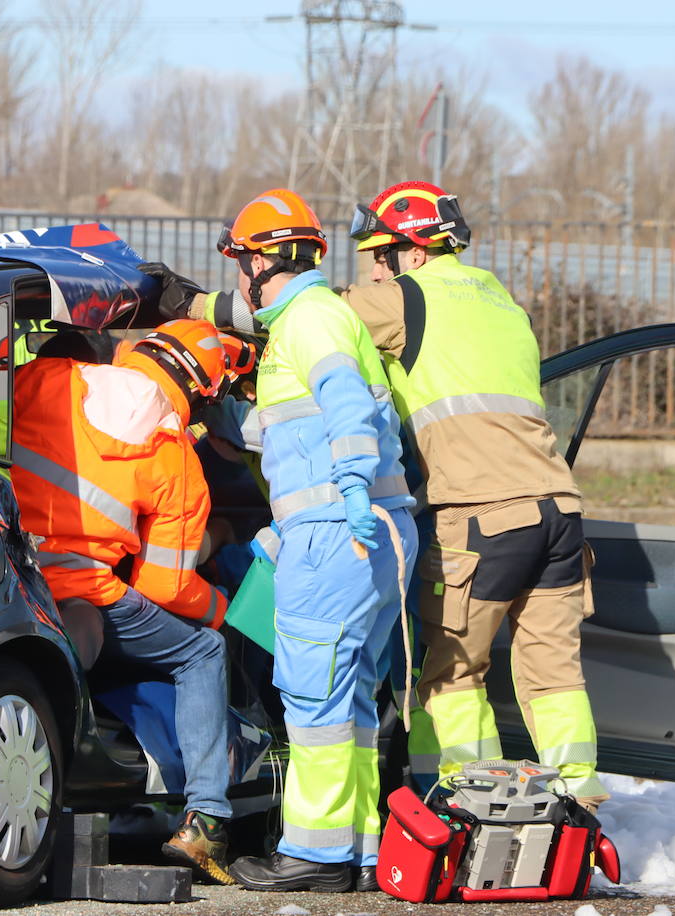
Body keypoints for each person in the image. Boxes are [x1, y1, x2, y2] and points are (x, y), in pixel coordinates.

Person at [342, 181, 608, 812]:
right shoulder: (501, 300)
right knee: (554, 676)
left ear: (411, 252)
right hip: (559, 513)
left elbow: (310, 319)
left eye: (381, 255)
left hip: (479, 518)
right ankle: (574, 805)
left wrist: (205, 306)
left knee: (454, 676)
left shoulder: (407, 298)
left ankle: (470, 805)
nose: (375, 271)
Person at [214, 189, 418, 894]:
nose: (239, 275)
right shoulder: (313, 321)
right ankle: (355, 851)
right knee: (351, 697)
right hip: (361, 531)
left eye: (242, 259)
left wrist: (355, 481)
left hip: (340, 531)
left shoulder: (310, 320)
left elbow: (346, 404)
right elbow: (292, 428)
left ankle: (313, 854)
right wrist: (219, 413)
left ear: (265, 260)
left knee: (315, 697)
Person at [10, 318, 252, 885]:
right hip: (87, 589)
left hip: (13, 579)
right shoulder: (171, 449)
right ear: (199, 393)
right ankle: (207, 821)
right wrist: (221, 608)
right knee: (203, 652)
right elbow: (164, 587)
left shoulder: (48, 378)